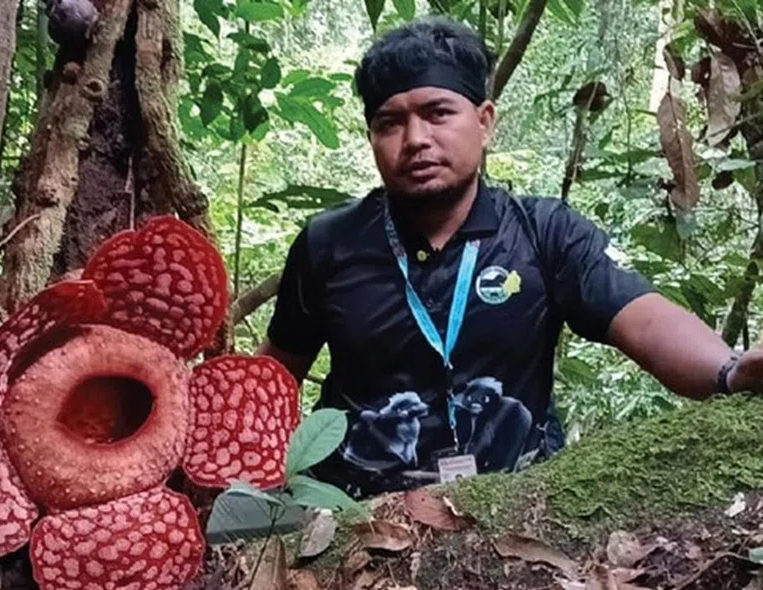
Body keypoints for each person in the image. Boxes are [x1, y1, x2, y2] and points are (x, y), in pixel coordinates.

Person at [257, 17, 763, 499]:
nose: (415, 140)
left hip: (516, 507)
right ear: (372, 138)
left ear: (485, 122)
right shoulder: (330, 244)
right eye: (390, 122)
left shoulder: (543, 233)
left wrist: (728, 370)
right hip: (352, 515)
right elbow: (273, 382)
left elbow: (643, 320)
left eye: (438, 113)